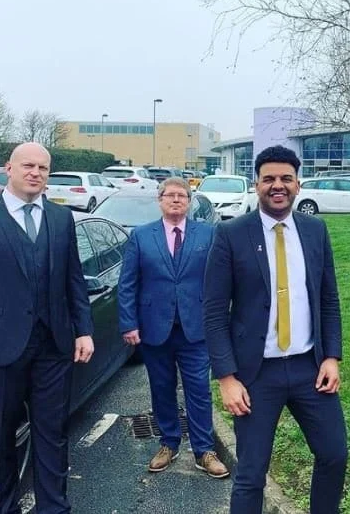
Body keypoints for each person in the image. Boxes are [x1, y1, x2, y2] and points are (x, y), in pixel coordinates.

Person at [203, 145, 347, 514]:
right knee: (251, 474)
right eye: (269, 179)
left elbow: (328, 298)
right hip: (255, 374)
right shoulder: (231, 234)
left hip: (309, 368)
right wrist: (226, 378)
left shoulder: (315, 230)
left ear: (298, 184)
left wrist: (331, 356)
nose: (277, 185)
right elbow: (215, 311)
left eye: (286, 178)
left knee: (334, 456)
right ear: (257, 184)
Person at [0, 142, 94, 513]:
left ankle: (54, 508)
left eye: (42, 168)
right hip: (4, 348)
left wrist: (83, 329)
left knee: (52, 435)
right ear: (9, 168)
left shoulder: (60, 218)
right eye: (28, 166)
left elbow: (74, 279)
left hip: (54, 345)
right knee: (2, 437)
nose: (35, 173)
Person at [118, 177, 229, 478]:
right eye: (170, 195)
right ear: (160, 200)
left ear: (190, 201)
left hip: (196, 330)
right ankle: (168, 443)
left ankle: (204, 450)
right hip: (155, 330)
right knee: (162, 389)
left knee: (199, 391)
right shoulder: (141, 236)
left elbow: (221, 281)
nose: (176, 200)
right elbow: (127, 284)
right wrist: (129, 323)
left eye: (182, 196)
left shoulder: (208, 234)